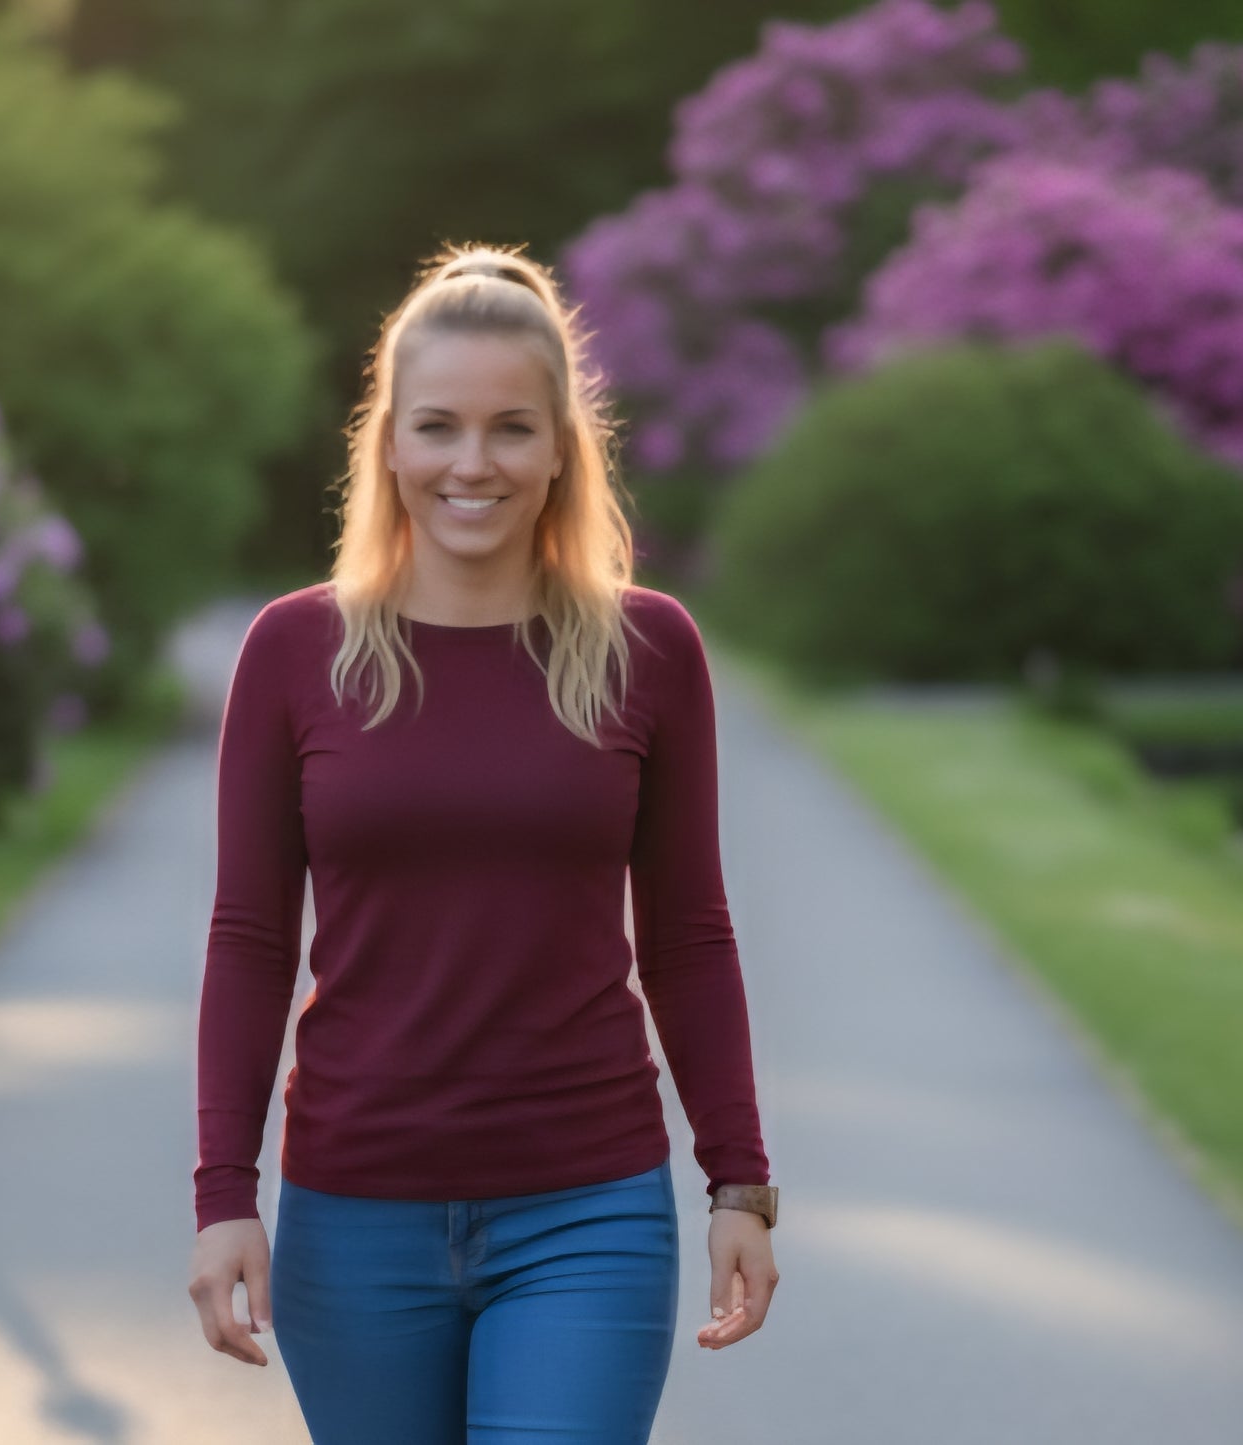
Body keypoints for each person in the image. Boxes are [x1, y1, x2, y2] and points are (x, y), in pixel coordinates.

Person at [187, 240, 779, 1444]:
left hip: (589, 1206)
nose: (472, 462)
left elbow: (687, 932)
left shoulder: (647, 651)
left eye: (511, 427)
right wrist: (221, 1195)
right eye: (438, 426)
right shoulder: (293, 654)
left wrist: (739, 1180)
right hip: (353, 1211)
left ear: (561, 445)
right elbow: (251, 939)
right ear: (388, 442)